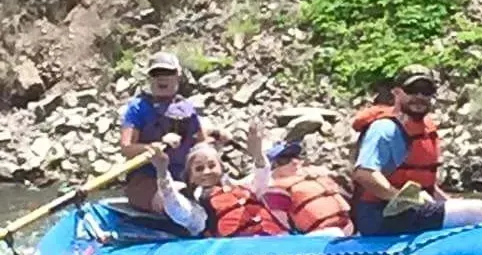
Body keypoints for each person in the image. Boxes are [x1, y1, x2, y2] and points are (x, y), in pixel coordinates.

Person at [352, 64, 482, 235]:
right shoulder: (385, 129)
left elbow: (426, 187)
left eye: (426, 91)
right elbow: (364, 173)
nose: (420, 96)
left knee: (466, 207)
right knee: (478, 211)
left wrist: (448, 202)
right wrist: (401, 198)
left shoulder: (425, 130)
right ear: (397, 92)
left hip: (411, 212)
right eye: (413, 90)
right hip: (381, 215)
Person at [150, 121, 287, 237]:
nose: (207, 172)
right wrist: (162, 171)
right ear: (190, 178)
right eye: (199, 169)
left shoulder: (244, 187)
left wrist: (257, 153)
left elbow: (262, 176)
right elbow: (176, 208)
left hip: (277, 240)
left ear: (221, 169)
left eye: (212, 165)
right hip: (241, 253)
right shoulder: (198, 210)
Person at [120, 51, 206, 213]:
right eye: (156, 73)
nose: (162, 78)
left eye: (168, 73)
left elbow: (202, 142)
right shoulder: (137, 108)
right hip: (147, 178)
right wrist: (153, 148)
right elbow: (126, 147)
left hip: (182, 176)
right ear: (150, 78)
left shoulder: (187, 108)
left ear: (177, 76)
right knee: (168, 200)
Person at [263, 140, 354, 236]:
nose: (294, 162)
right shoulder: (275, 191)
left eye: (296, 157)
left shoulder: (314, 176)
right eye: (286, 159)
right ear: (274, 165)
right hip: (321, 235)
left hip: (349, 228)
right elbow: (282, 226)